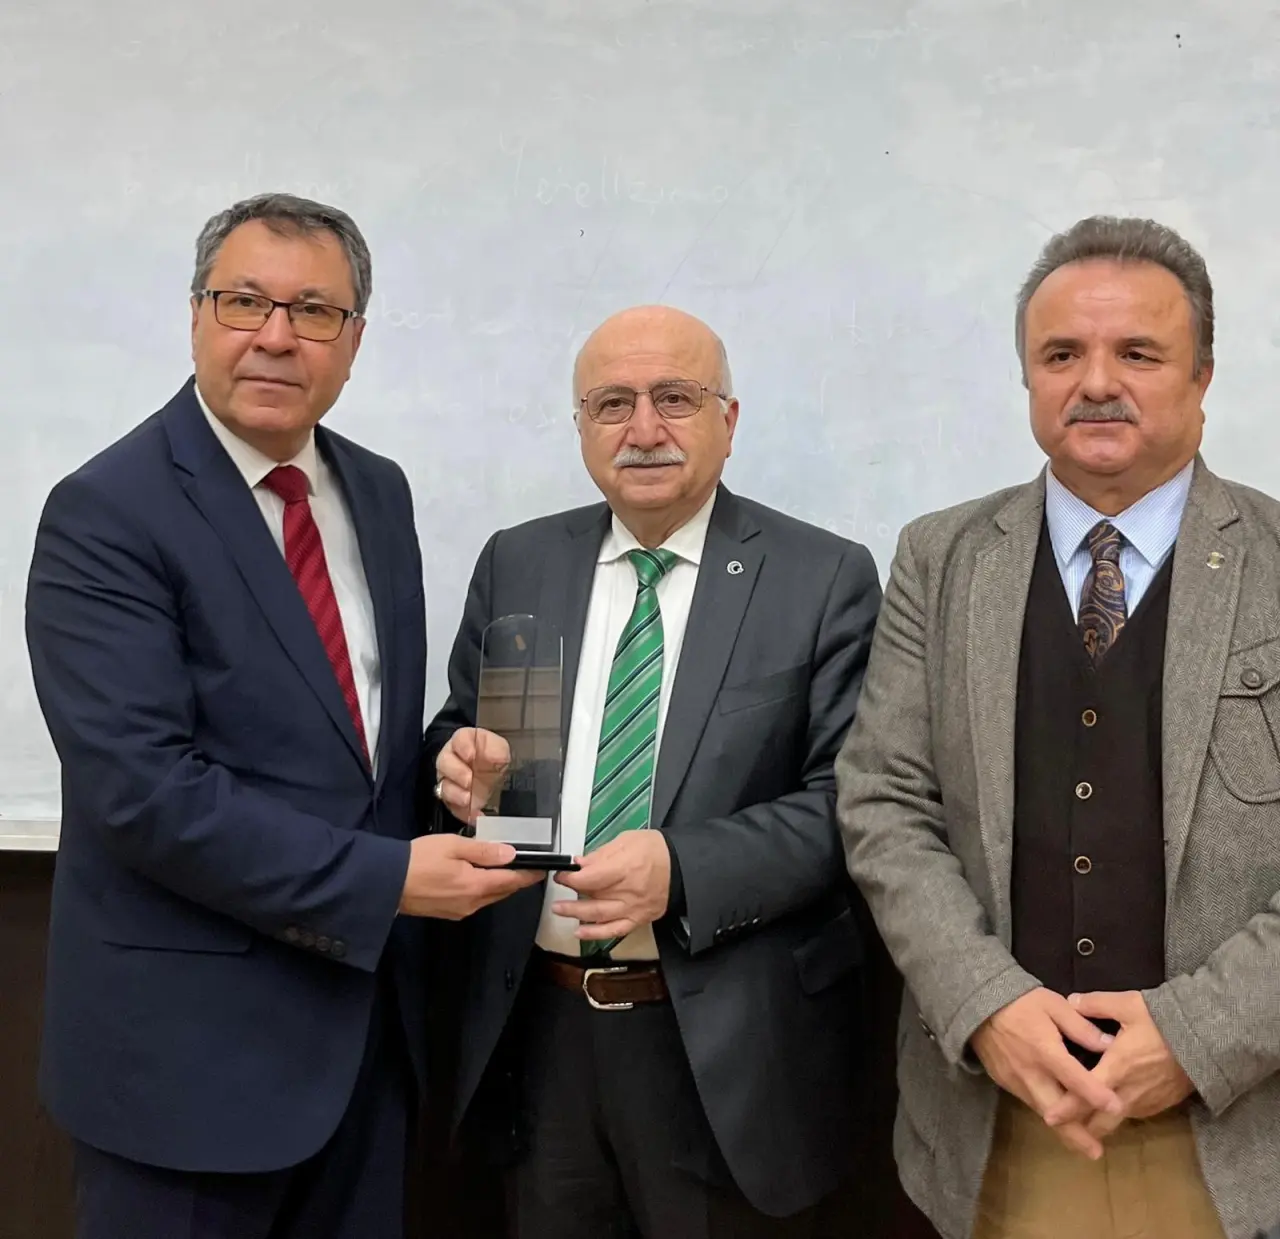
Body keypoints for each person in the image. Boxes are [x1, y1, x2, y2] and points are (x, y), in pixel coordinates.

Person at [25, 192, 538, 1239]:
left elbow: (358, 742)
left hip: (367, 1054)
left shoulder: (377, 492)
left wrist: (451, 764)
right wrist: (389, 880)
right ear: (195, 315)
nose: (275, 335)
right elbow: (145, 794)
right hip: (184, 1072)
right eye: (244, 300)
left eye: (313, 311)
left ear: (353, 340)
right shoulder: (106, 511)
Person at [836, 216, 1280, 1239]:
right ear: (1028, 377)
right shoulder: (939, 559)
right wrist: (985, 1003)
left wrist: (1196, 1037)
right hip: (991, 1132)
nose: (1096, 383)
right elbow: (882, 803)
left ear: (1203, 376)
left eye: (1138, 353)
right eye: (1062, 354)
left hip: (1236, 1139)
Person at [422, 305, 884, 1237]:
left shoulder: (821, 577)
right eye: (612, 404)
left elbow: (850, 804)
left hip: (724, 1049)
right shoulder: (519, 561)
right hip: (537, 1040)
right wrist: (457, 766)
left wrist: (682, 869)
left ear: (729, 418)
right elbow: (469, 730)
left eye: (674, 397)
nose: (643, 429)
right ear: (581, 426)